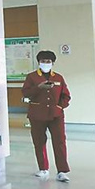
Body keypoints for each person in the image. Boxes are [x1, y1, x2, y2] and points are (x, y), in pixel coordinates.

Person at [21, 50, 72, 182]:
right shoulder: (32, 77)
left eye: (48, 61)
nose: (45, 63)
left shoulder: (58, 77)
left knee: (60, 142)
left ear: (52, 63)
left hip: (56, 115)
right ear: (39, 62)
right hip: (37, 115)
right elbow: (26, 93)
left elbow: (66, 96)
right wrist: (39, 87)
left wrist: (60, 106)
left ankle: (62, 171)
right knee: (39, 141)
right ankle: (43, 168)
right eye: (43, 61)